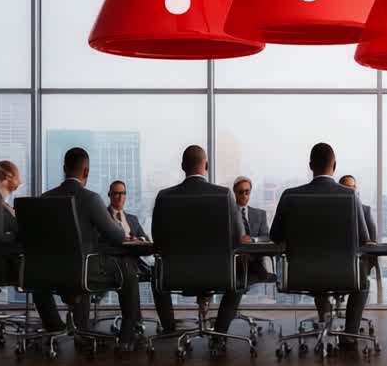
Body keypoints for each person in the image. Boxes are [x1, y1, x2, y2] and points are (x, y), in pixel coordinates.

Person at [33, 148, 144, 350]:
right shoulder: (90, 199)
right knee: (127, 270)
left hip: (48, 272)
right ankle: (127, 338)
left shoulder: (45, 198)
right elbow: (118, 236)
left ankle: (55, 327)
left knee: (72, 271)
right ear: (86, 172)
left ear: (64, 169)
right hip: (83, 271)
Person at [270, 143, 373, 351]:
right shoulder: (351, 196)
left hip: (300, 275)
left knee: (329, 281)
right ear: (334, 166)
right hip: (344, 275)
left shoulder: (290, 196)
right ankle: (349, 336)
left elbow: (274, 236)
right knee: (363, 282)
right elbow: (365, 239)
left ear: (310, 165)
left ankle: (323, 323)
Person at [153, 145, 250, 353]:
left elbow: (158, 241)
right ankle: (220, 333)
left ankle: (169, 328)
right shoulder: (224, 195)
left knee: (156, 273)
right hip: (219, 275)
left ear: (182, 167)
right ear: (206, 165)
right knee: (241, 274)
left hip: (175, 275)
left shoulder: (164, 197)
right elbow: (238, 238)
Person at [106, 179, 176, 335]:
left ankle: (168, 325)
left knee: (159, 271)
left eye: (122, 193)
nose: (119, 197)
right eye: (116, 193)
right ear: (109, 195)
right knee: (129, 270)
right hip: (114, 263)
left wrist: (138, 240)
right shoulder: (103, 216)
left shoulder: (132, 219)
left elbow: (146, 240)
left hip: (137, 261)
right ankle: (135, 321)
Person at [232, 175, 271, 283]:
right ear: (234, 192)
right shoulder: (228, 214)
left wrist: (253, 239)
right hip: (236, 258)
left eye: (247, 192)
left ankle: (256, 271)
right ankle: (260, 272)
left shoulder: (260, 214)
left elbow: (266, 237)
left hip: (256, 257)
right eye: (241, 192)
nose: (244, 196)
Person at [339, 174, 378, 242]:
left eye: (354, 187)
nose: (352, 190)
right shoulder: (335, 209)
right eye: (348, 187)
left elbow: (373, 240)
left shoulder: (366, 211)